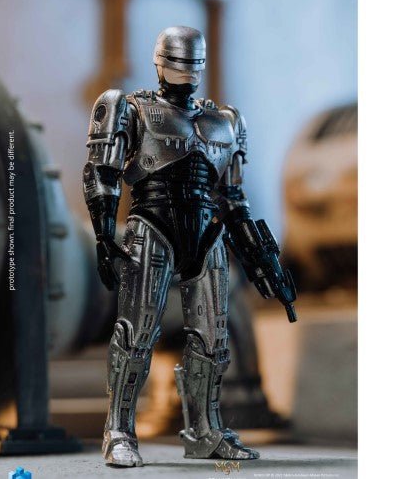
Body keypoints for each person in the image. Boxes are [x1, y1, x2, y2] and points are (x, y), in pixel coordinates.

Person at [83, 26, 296, 467]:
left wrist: (261, 258)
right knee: (136, 333)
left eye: (194, 65)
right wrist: (104, 235)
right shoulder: (131, 108)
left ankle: (203, 430)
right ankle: (119, 430)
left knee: (214, 340)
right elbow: (102, 174)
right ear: (160, 63)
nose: (188, 73)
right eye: (180, 64)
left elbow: (233, 199)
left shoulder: (226, 120)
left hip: (207, 232)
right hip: (151, 224)